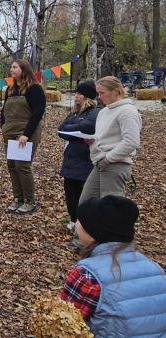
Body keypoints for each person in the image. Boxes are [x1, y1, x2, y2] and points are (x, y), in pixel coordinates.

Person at [0, 196, 166, 338]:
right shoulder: (155, 269)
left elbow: (51, 334)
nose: (76, 224)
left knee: (50, 335)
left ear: (94, 233)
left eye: (80, 221)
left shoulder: (88, 275)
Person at [79, 76, 142, 204]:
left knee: (111, 209)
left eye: (102, 93)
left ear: (116, 91)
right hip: (100, 163)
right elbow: (105, 137)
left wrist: (108, 159)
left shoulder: (127, 111)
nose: (99, 97)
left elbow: (131, 141)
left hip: (115, 165)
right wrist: (93, 141)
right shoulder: (103, 112)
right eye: (98, 93)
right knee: (85, 205)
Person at [0, 59, 46, 214]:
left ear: (24, 69)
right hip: (10, 131)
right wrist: (3, 126)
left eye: (15, 67)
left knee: (22, 166)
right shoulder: (11, 89)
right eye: (11, 67)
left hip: (26, 132)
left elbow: (38, 112)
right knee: (12, 166)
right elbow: (4, 110)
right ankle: (18, 199)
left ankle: (29, 201)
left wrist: (26, 134)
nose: (11, 69)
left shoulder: (34, 89)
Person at [57, 80, 100, 233]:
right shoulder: (75, 112)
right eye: (76, 93)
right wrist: (75, 132)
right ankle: (73, 219)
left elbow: (87, 127)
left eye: (79, 93)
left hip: (85, 159)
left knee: (84, 193)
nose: (76, 96)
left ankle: (84, 222)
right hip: (70, 159)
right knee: (70, 193)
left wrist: (73, 131)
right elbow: (62, 130)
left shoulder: (95, 111)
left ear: (87, 96)